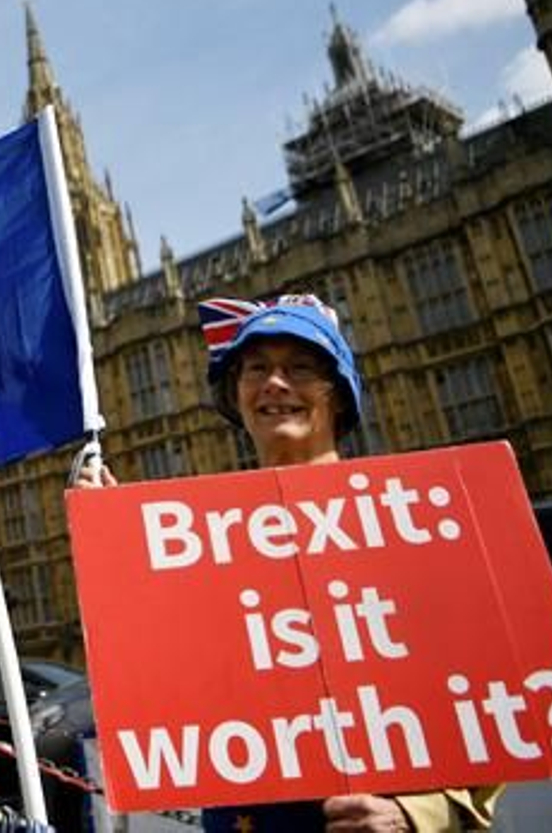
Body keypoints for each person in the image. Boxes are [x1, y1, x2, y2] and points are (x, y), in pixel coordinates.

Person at [81, 295, 500, 832]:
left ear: (340, 397)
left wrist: (417, 814)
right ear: (235, 397)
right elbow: (157, 682)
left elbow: (495, 703)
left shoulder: (410, 523)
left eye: (300, 368)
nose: (275, 384)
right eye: (256, 369)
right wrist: (114, 550)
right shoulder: (198, 545)